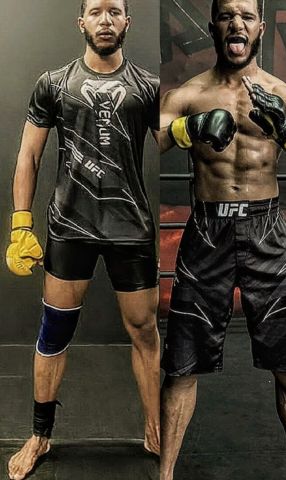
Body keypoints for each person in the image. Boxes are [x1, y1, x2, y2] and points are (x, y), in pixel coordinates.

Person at [157, 0, 286, 478]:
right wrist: (190, 127)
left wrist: (285, 130)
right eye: (228, 15)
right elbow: (152, 138)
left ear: (260, 27)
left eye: (246, 16)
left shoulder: (285, 96)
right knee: (181, 366)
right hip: (207, 230)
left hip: (266, 229)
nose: (236, 24)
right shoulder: (189, 94)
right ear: (213, 26)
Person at [6, 1, 161, 479]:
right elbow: (29, 156)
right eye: (96, 11)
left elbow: (176, 142)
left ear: (127, 21)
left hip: (130, 229)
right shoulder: (54, 84)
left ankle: (156, 430)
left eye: (114, 11)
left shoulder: (149, 87)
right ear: (82, 22)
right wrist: (20, 224)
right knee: (54, 332)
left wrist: (198, 127)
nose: (105, 20)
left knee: (145, 332)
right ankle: (40, 436)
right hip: (70, 226)